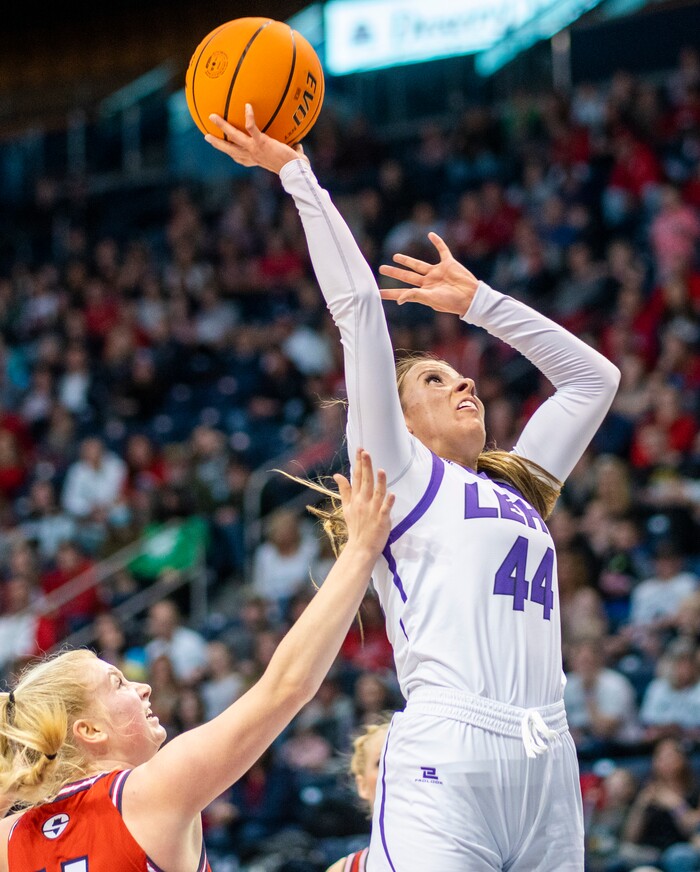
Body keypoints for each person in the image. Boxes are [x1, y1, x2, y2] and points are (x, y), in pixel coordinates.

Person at [205, 105, 621, 871]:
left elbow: (593, 380)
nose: (465, 377)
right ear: (395, 418)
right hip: (449, 749)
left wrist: (482, 304)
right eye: (435, 378)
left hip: (549, 754)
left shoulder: (519, 487)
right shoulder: (400, 472)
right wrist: (296, 174)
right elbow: (360, 310)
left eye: (462, 373)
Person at [0, 448, 394, 872]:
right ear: (89, 730)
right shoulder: (149, 792)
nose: (143, 686)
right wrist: (360, 550)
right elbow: (286, 686)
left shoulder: (11, 838)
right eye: (118, 683)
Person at [326, 718, 392, 872]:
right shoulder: (344, 869)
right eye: (381, 762)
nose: (394, 770)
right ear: (362, 785)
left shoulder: (457, 859)